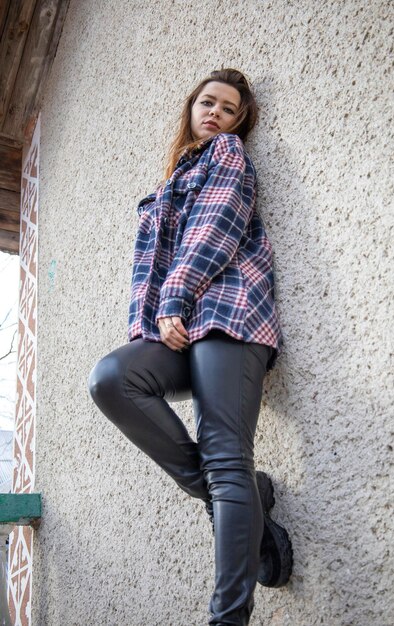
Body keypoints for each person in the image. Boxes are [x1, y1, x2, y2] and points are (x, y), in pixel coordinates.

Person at [88, 68, 292, 626]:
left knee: (227, 458)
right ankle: (244, 503)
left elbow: (218, 226)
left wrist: (174, 298)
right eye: (208, 103)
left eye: (230, 110)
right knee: (113, 378)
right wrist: (155, 324)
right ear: (191, 106)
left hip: (227, 314)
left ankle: (227, 617)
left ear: (238, 124)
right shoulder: (174, 176)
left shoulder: (226, 154)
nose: (217, 115)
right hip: (178, 325)